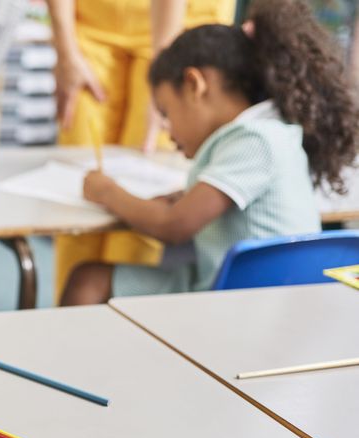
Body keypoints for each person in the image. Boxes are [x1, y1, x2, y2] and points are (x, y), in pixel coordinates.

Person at [61, 0, 359, 304]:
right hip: (254, 292)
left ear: (194, 85)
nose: (166, 128)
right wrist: (185, 196)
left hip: (244, 302)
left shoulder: (255, 140)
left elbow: (173, 226)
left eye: (166, 111)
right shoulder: (268, 131)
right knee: (90, 277)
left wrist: (107, 192)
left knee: (88, 280)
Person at [46, 0, 236, 301]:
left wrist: (163, 78)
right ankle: (73, 327)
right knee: (78, 197)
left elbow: (171, 224)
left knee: (148, 186)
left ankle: (127, 325)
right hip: (96, 24)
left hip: (180, 26)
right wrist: (65, 49)